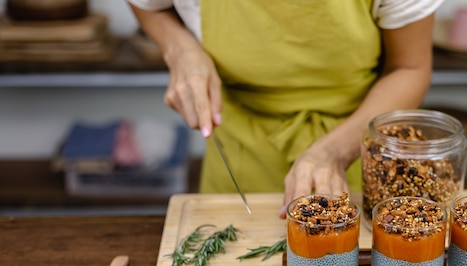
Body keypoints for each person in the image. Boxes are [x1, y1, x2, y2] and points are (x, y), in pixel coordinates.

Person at [126, 0, 443, 217]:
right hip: (239, 153)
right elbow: (150, 7)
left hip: (358, 146)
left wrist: (333, 152)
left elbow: (410, 67)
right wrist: (180, 49)